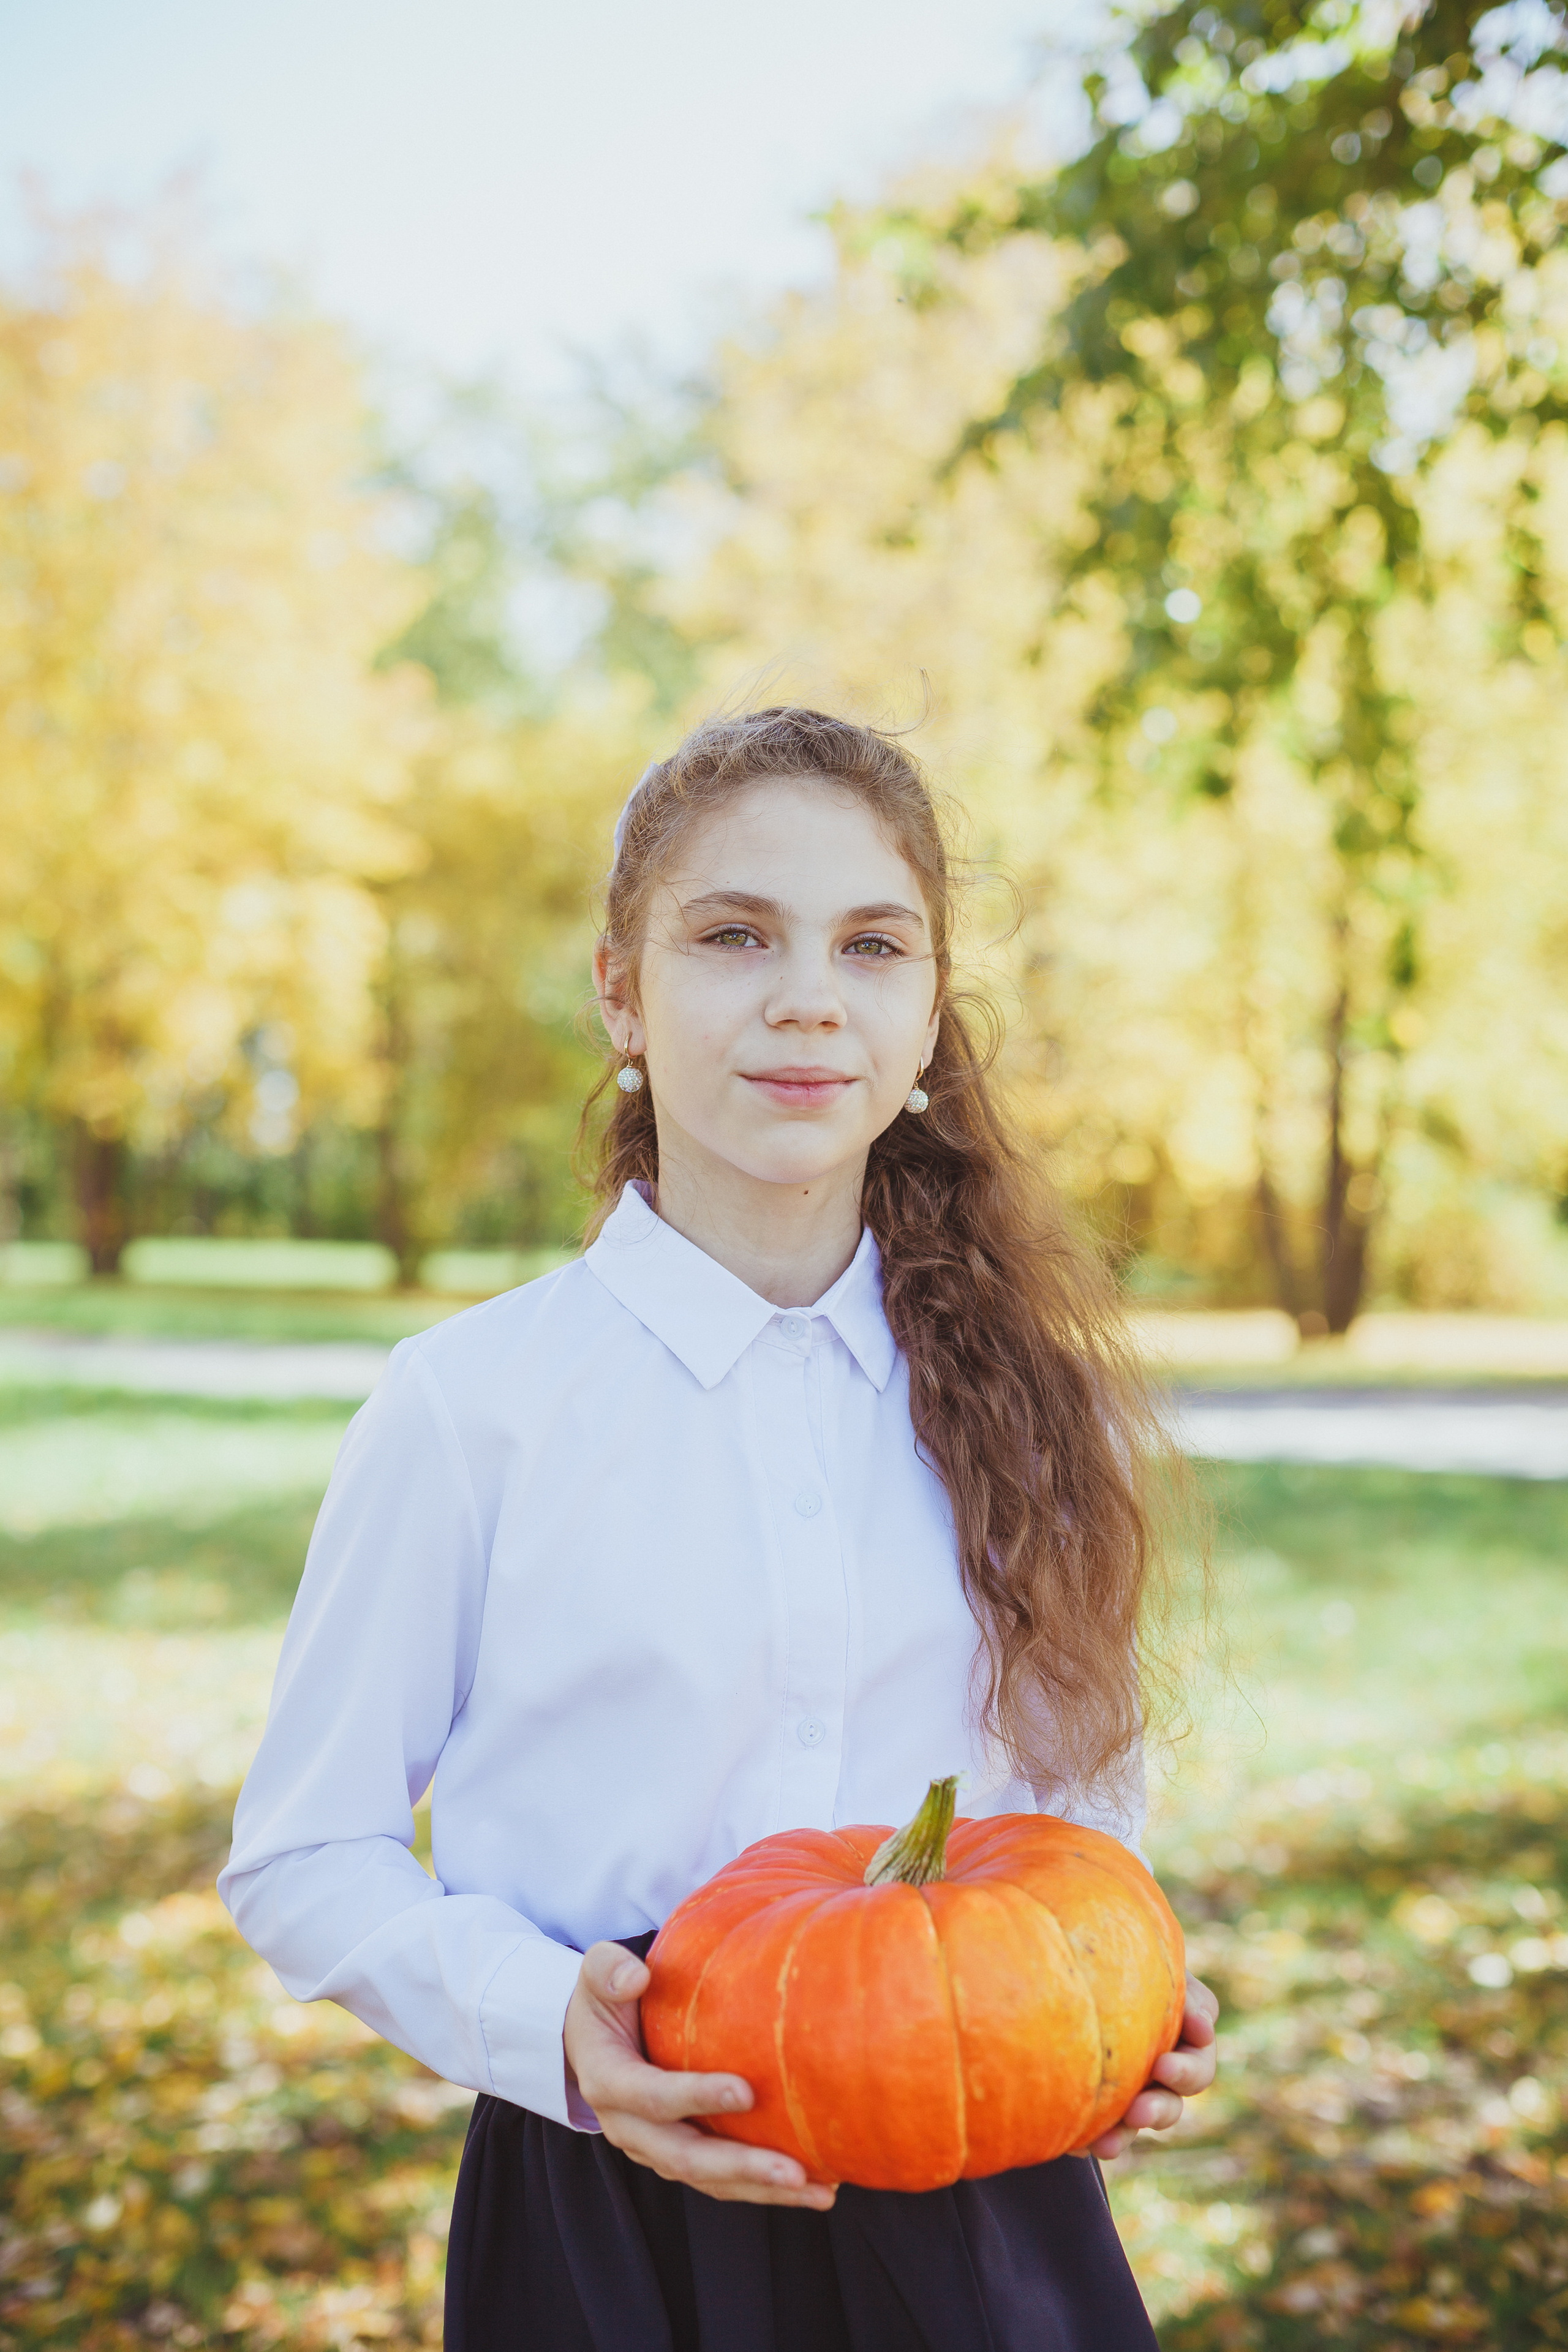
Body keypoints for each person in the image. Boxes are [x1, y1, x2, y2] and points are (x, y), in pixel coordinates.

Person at [220, 706, 1218, 2351]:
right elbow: (300, 1854)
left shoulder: (1032, 1408)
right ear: (620, 988)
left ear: (924, 1019)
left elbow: (1076, 1810)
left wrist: (1119, 2002)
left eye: (872, 945)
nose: (807, 994)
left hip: (979, 2203)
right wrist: (552, 2027)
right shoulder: (473, 1407)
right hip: (614, 2211)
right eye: (734, 935)